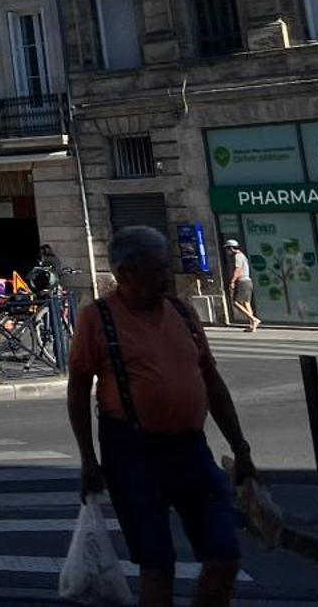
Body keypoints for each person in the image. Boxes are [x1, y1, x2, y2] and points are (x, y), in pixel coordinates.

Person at [69, 226, 255, 607]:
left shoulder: (183, 312)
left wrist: (241, 446)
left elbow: (211, 379)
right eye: (156, 269)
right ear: (125, 275)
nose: (166, 276)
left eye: (165, 267)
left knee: (224, 555)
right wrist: (88, 459)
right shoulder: (97, 319)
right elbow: (77, 389)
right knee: (157, 564)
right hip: (132, 454)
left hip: (191, 450)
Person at [223, 239, 259, 332]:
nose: (227, 252)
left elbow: (237, 270)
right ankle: (252, 326)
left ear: (231, 248)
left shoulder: (237, 256)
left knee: (236, 302)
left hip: (242, 282)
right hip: (248, 281)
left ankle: (254, 319)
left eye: (227, 249)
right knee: (247, 303)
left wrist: (232, 281)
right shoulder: (243, 255)